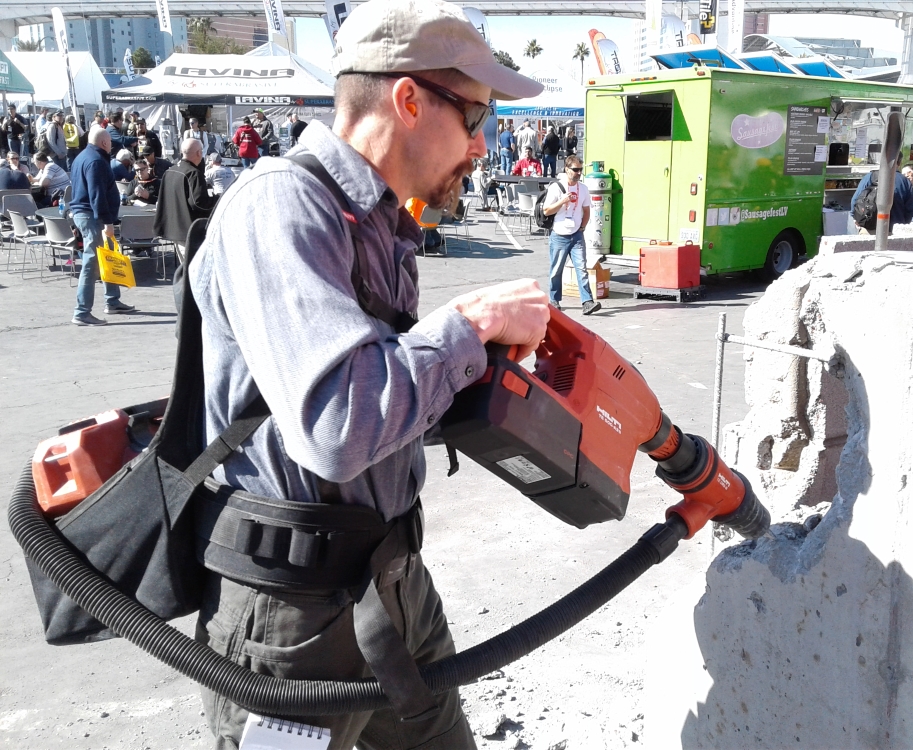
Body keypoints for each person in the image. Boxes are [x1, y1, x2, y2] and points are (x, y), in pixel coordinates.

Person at [189, 0, 546, 746]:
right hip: (295, 617)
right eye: (476, 117)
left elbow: (385, 399)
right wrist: (470, 326)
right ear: (409, 100)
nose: (483, 145)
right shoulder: (280, 207)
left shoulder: (380, 223)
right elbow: (339, 429)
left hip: (392, 578)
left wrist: (480, 374)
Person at [68, 127, 135, 326]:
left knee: (107, 255)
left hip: (85, 213)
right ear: (105, 143)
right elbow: (97, 194)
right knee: (92, 261)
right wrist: (107, 222)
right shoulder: (96, 161)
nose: (111, 146)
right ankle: (82, 312)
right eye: (110, 143)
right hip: (92, 215)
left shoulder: (82, 157)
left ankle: (112, 301)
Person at [543, 155, 600, 315]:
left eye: (580, 170)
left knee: (581, 269)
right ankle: (554, 300)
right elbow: (546, 211)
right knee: (556, 270)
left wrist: (582, 227)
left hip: (576, 235)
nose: (579, 173)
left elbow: (587, 210)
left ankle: (587, 302)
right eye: (575, 170)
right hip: (559, 235)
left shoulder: (583, 188)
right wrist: (562, 202)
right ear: (567, 169)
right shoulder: (556, 188)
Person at [153, 137, 217, 258]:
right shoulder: (193, 173)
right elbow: (198, 203)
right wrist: (217, 199)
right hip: (189, 232)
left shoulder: (170, 171)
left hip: (173, 230)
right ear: (199, 153)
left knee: (184, 266)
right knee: (193, 268)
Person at [850, 154, 913, 233]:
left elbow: (855, 200)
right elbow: (910, 210)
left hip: (869, 228)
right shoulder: (905, 181)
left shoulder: (870, 176)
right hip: (895, 230)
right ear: (899, 163)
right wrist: (903, 224)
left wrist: (856, 219)